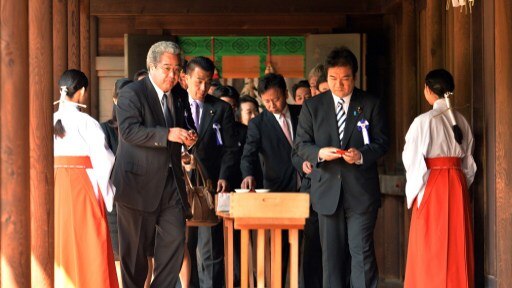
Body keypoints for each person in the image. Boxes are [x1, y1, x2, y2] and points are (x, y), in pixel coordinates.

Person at [295, 46, 389, 288]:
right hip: (327, 192)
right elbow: (300, 145)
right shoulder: (313, 107)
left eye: (345, 79)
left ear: (354, 77)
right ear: (326, 78)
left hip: (361, 192)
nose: (339, 85)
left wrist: (360, 155)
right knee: (332, 258)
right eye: (333, 79)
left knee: (361, 253)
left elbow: (381, 142)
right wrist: (319, 153)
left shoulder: (369, 103)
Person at [112, 41, 198, 288]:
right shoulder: (132, 93)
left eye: (177, 69)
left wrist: (190, 139)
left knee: (175, 241)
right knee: (136, 257)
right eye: (166, 68)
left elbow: (188, 125)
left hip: (171, 183)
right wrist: (167, 134)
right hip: (136, 184)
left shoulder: (180, 94)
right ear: (151, 67)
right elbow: (128, 131)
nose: (172, 75)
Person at [403, 69, 476, 288]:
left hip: (432, 183)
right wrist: (461, 184)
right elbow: (469, 165)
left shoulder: (423, 121)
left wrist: (416, 191)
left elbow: (412, 159)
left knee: (430, 243)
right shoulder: (462, 121)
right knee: (456, 241)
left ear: (427, 90)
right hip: (456, 182)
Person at [54, 69, 119, 288]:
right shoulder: (87, 122)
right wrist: (108, 193)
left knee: (59, 239)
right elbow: (104, 159)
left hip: (56, 183)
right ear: (81, 92)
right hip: (82, 182)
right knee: (89, 239)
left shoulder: (51, 120)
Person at [240, 73, 304, 285]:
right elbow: (248, 154)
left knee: (308, 246)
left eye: (276, 99)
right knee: (281, 246)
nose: (272, 105)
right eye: (266, 101)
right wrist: (248, 174)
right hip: (279, 189)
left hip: (308, 186)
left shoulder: (302, 112)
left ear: (286, 94)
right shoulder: (258, 123)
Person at [184, 56, 238, 288]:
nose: (203, 88)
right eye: (198, 81)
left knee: (210, 247)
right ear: (185, 78)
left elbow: (230, 149)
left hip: (211, 185)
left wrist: (224, 176)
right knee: (183, 246)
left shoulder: (221, 108)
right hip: (181, 185)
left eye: (207, 82)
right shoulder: (173, 105)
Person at [100, 77, 133, 277]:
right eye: (123, 98)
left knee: (141, 252)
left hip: (141, 196)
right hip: (115, 197)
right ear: (114, 99)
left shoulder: (144, 128)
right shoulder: (104, 129)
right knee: (118, 254)